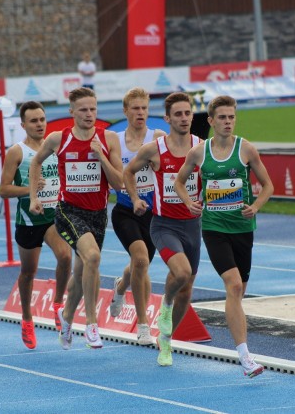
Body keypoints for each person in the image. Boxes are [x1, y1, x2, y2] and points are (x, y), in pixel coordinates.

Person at [174, 95, 273, 378]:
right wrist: (189, 202)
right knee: (233, 286)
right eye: (222, 118)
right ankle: (245, 356)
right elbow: (180, 182)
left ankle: (242, 346)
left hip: (242, 230)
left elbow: (268, 186)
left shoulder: (246, 150)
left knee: (238, 289)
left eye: (232, 117)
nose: (228, 122)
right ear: (211, 121)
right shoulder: (199, 153)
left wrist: (255, 206)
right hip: (215, 229)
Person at [29, 88, 122, 350]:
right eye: (83, 109)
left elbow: (120, 183)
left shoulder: (109, 139)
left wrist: (101, 156)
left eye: (93, 109)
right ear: (71, 112)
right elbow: (35, 163)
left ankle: (66, 315)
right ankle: (91, 324)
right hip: (69, 212)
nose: (89, 114)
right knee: (92, 257)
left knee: (83, 269)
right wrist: (34, 196)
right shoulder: (59, 139)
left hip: (98, 215)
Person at [123, 91, 202, 366]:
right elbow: (128, 172)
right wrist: (135, 199)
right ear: (167, 118)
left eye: (187, 113)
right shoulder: (154, 149)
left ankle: (166, 341)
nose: (183, 118)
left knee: (188, 288)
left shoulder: (201, 147)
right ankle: (165, 305)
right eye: (177, 114)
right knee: (181, 272)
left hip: (193, 226)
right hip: (164, 225)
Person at [0, 100, 72, 350]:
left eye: (42, 119)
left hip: (54, 217)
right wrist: (29, 190)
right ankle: (27, 318)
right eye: (33, 121)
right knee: (29, 272)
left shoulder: (56, 146)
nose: (39, 124)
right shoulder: (17, 152)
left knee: (65, 256)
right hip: (29, 220)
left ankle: (58, 306)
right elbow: (3, 189)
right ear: (23, 125)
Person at [109, 88, 166, 346]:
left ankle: (121, 286)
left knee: (139, 264)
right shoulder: (115, 141)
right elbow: (111, 174)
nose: (140, 112)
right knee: (141, 260)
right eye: (135, 108)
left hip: (153, 213)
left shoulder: (158, 138)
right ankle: (144, 327)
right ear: (126, 111)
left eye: (144, 108)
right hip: (125, 211)